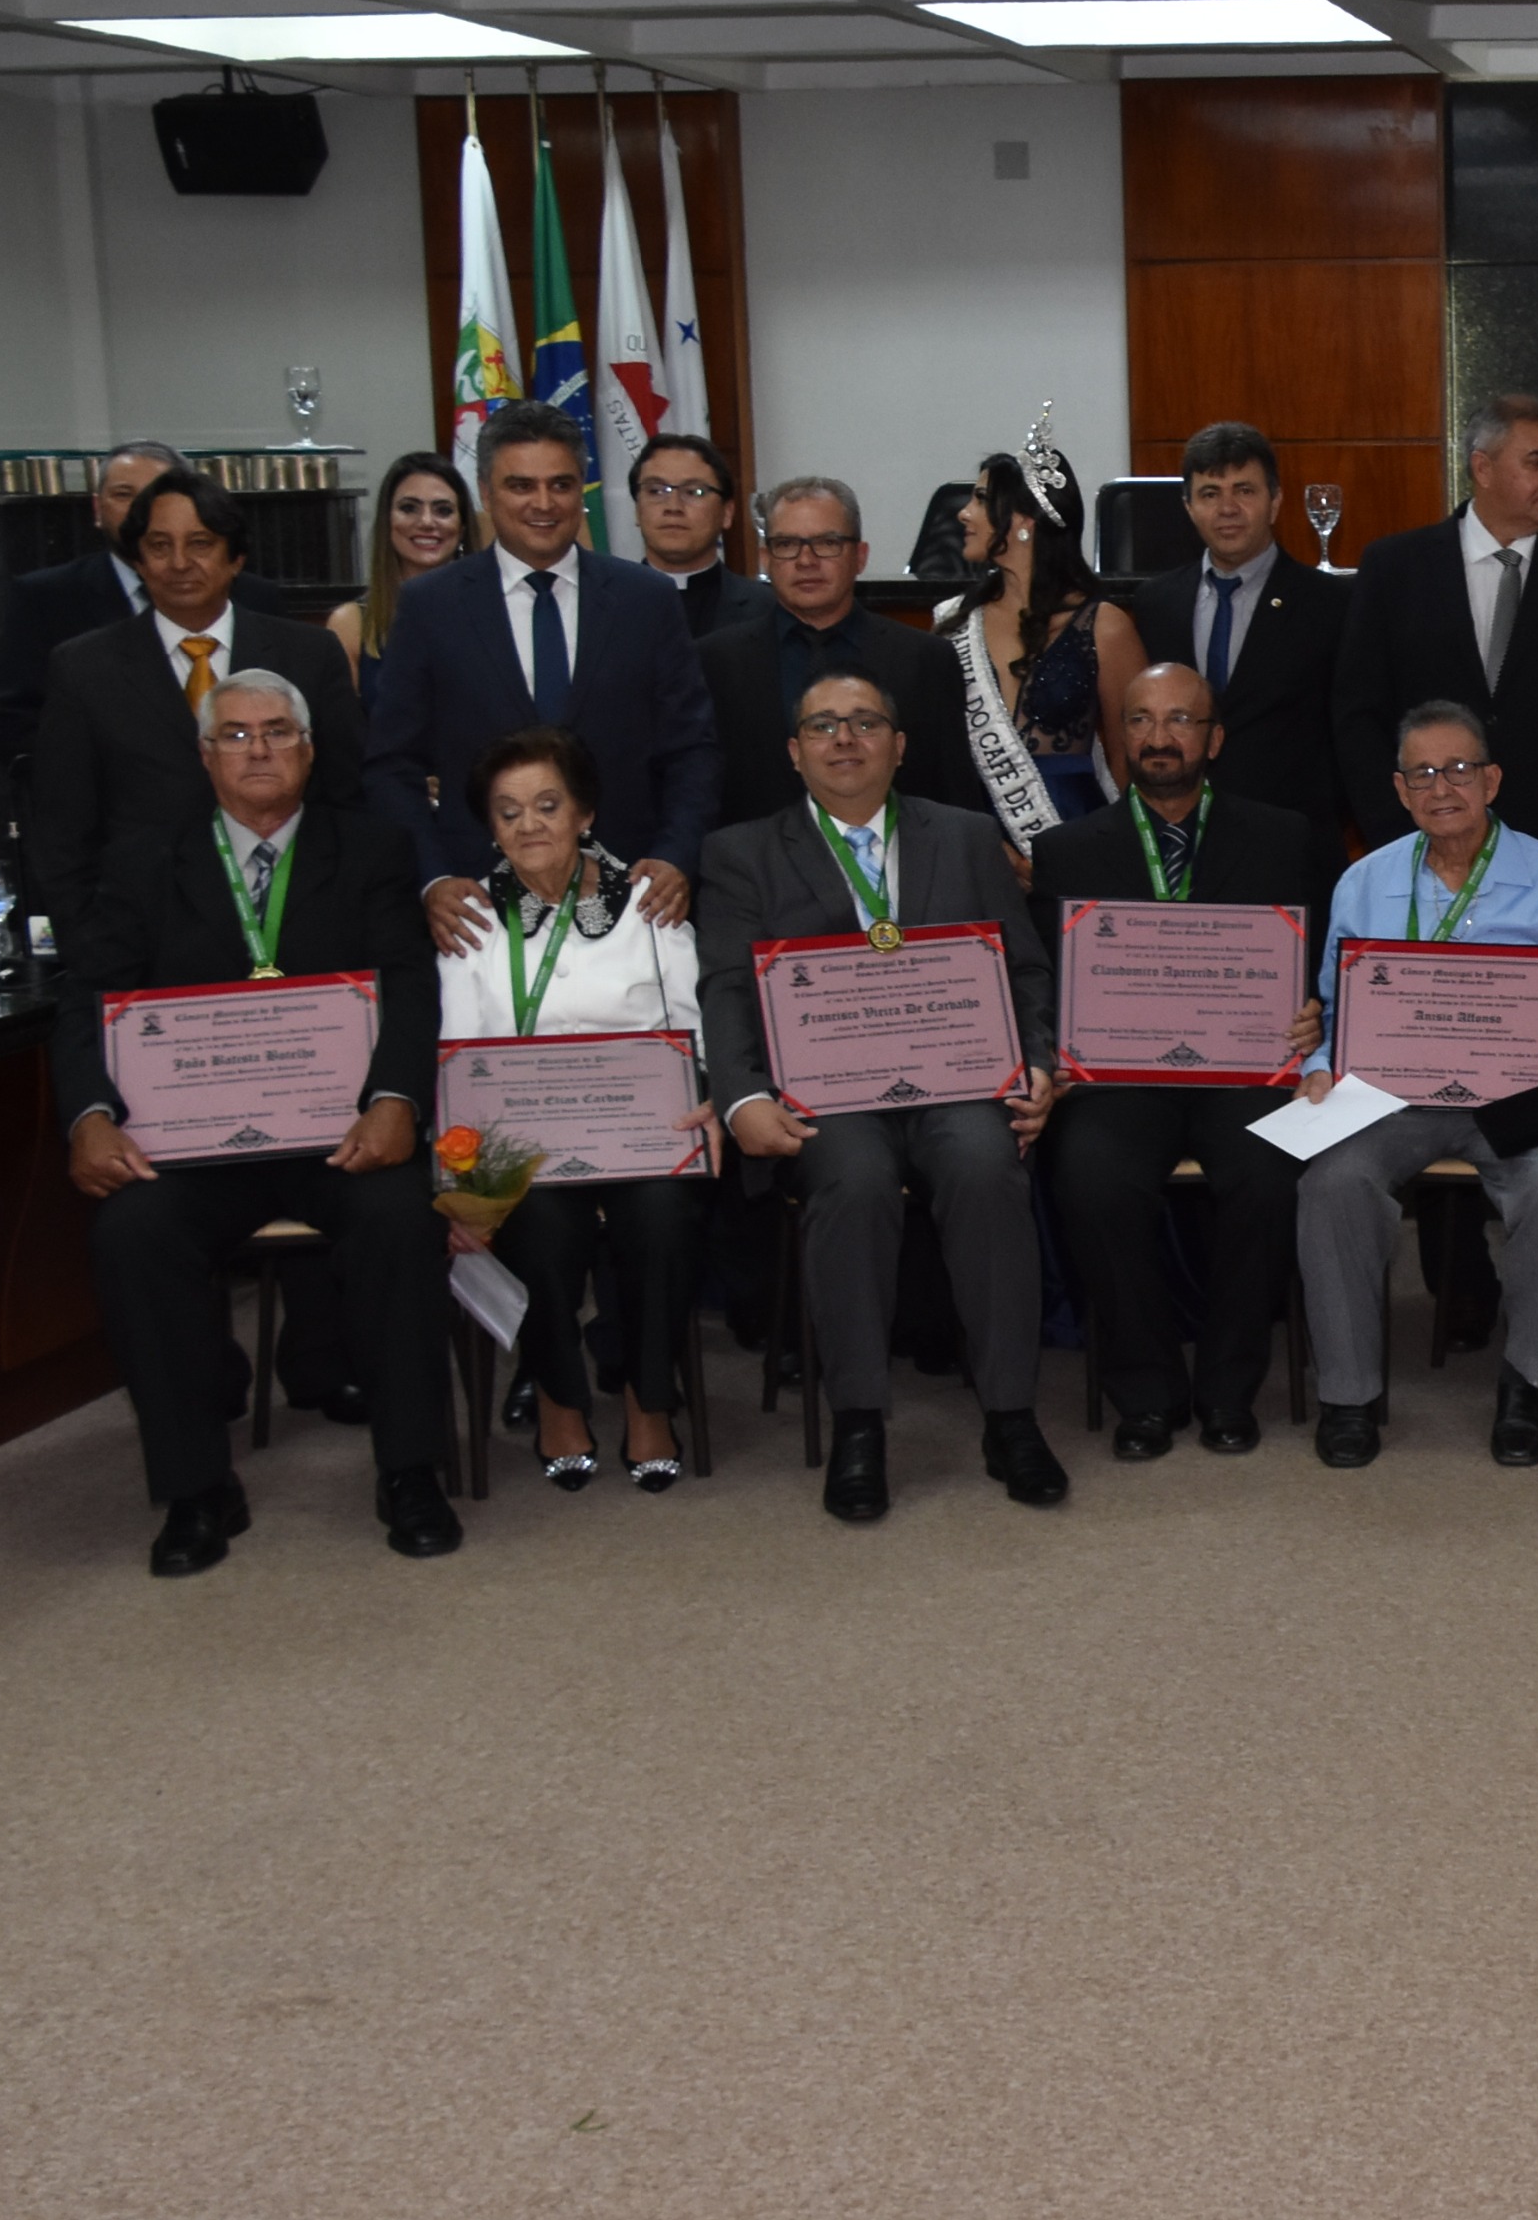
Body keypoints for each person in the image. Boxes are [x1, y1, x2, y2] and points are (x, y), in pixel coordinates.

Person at [52, 670, 456, 1574]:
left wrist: (396, 1098)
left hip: (338, 1135)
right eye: (235, 735)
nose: (259, 749)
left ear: (309, 749)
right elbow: (87, 997)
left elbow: (409, 985)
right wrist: (90, 1115)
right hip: (195, 1147)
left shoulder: (373, 849)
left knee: (400, 1216)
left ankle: (411, 1470)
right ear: (205, 756)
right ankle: (196, 1488)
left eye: (278, 731)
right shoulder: (143, 860)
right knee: (131, 1230)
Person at [696, 672, 1066, 1521]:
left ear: (898, 747)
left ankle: (1011, 1415)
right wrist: (742, 1097)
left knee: (986, 1164)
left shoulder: (966, 836)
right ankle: (859, 1422)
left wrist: (1040, 1061)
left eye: (865, 722)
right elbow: (725, 988)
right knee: (855, 1180)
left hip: (958, 1082)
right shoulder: (741, 852)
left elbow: (1025, 967)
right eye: (822, 725)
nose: (844, 738)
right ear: (794, 753)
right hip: (828, 1097)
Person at [1297, 703, 1538, 1472]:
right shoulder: (1363, 882)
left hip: (1519, 1095)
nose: (1442, 787)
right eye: (1423, 773)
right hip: (1394, 1095)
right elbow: (1336, 1009)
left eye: (1460, 769)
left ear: (1493, 780)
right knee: (1329, 1181)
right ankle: (1348, 1394)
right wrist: (1320, 1065)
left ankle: (1526, 1383)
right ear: (1400, 790)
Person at [1028, 663, 1330, 1461]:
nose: (1158, 737)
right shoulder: (1065, 851)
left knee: (1269, 1174)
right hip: (1118, 1081)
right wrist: (1055, 1046)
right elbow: (1045, 979)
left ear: (1214, 738)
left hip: (1245, 1073)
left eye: (1180, 720)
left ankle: (1229, 1387)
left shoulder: (1284, 836)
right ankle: (1146, 1389)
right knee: (1091, 1178)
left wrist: (1315, 1011)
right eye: (1140, 719)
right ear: (1118, 735)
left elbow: (1320, 961)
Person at [435, 724, 712, 1491]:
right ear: (491, 827)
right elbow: (456, 1063)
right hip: (519, 1145)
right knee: (540, 1222)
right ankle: (559, 1393)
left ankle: (648, 1398)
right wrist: (463, 1185)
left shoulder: (651, 903)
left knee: (661, 1214)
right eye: (509, 811)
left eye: (548, 805)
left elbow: (692, 1030)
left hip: (644, 1135)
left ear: (585, 813)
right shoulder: (470, 918)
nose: (529, 824)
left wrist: (707, 1102)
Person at [368, 399, 717, 957]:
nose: (543, 503)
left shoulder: (646, 600)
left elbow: (692, 749)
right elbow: (391, 763)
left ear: (583, 490)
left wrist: (676, 856)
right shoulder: (431, 606)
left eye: (561, 484)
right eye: (520, 486)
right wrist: (433, 877)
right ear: (486, 493)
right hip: (477, 912)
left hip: (633, 901)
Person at [24, 466, 366, 930]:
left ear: (236, 557)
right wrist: (89, 942)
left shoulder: (309, 655)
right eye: (159, 546)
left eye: (200, 543)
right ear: (138, 561)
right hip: (145, 933)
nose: (180, 562)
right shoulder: (84, 668)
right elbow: (62, 832)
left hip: (298, 920)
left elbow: (347, 796)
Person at [1334, 393, 1538, 874]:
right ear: (1483, 468)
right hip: (1421, 845)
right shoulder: (1395, 568)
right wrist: (1397, 837)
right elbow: (1359, 717)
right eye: (1537, 462)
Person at [697, 475, 983, 830]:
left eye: (827, 543)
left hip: (900, 859)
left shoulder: (925, 659)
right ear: (766, 559)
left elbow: (955, 795)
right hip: (757, 862)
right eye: (787, 544)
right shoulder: (715, 662)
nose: (806, 560)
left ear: (860, 557)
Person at [0, 438, 289, 771]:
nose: (139, 508)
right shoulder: (46, 598)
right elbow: (12, 722)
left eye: (155, 494)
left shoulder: (255, 597)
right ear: (97, 509)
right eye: (123, 494)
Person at [1122, 421, 1348, 834]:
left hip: (1292, 837)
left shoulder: (1331, 603)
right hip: (1178, 833)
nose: (1227, 509)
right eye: (1210, 494)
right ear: (1189, 507)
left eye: (1244, 491)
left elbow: (1350, 732)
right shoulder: (1156, 602)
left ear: (1275, 502)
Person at [934, 427, 1144, 839]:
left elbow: (1130, 763)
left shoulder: (1104, 625)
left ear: (1024, 520)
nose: (963, 513)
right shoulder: (954, 620)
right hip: (973, 835)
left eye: (981, 499)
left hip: (1076, 834)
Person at [323, 452, 474, 711]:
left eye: (443, 510)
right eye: (409, 508)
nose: (426, 522)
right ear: (387, 521)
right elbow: (343, 729)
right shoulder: (350, 623)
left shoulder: (495, 611)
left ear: (462, 528)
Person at [625, 434, 768, 639]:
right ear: (637, 510)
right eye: (656, 491)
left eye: (694, 492)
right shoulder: (600, 606)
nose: (673, 507)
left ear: (727, 513)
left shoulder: (769, 609)